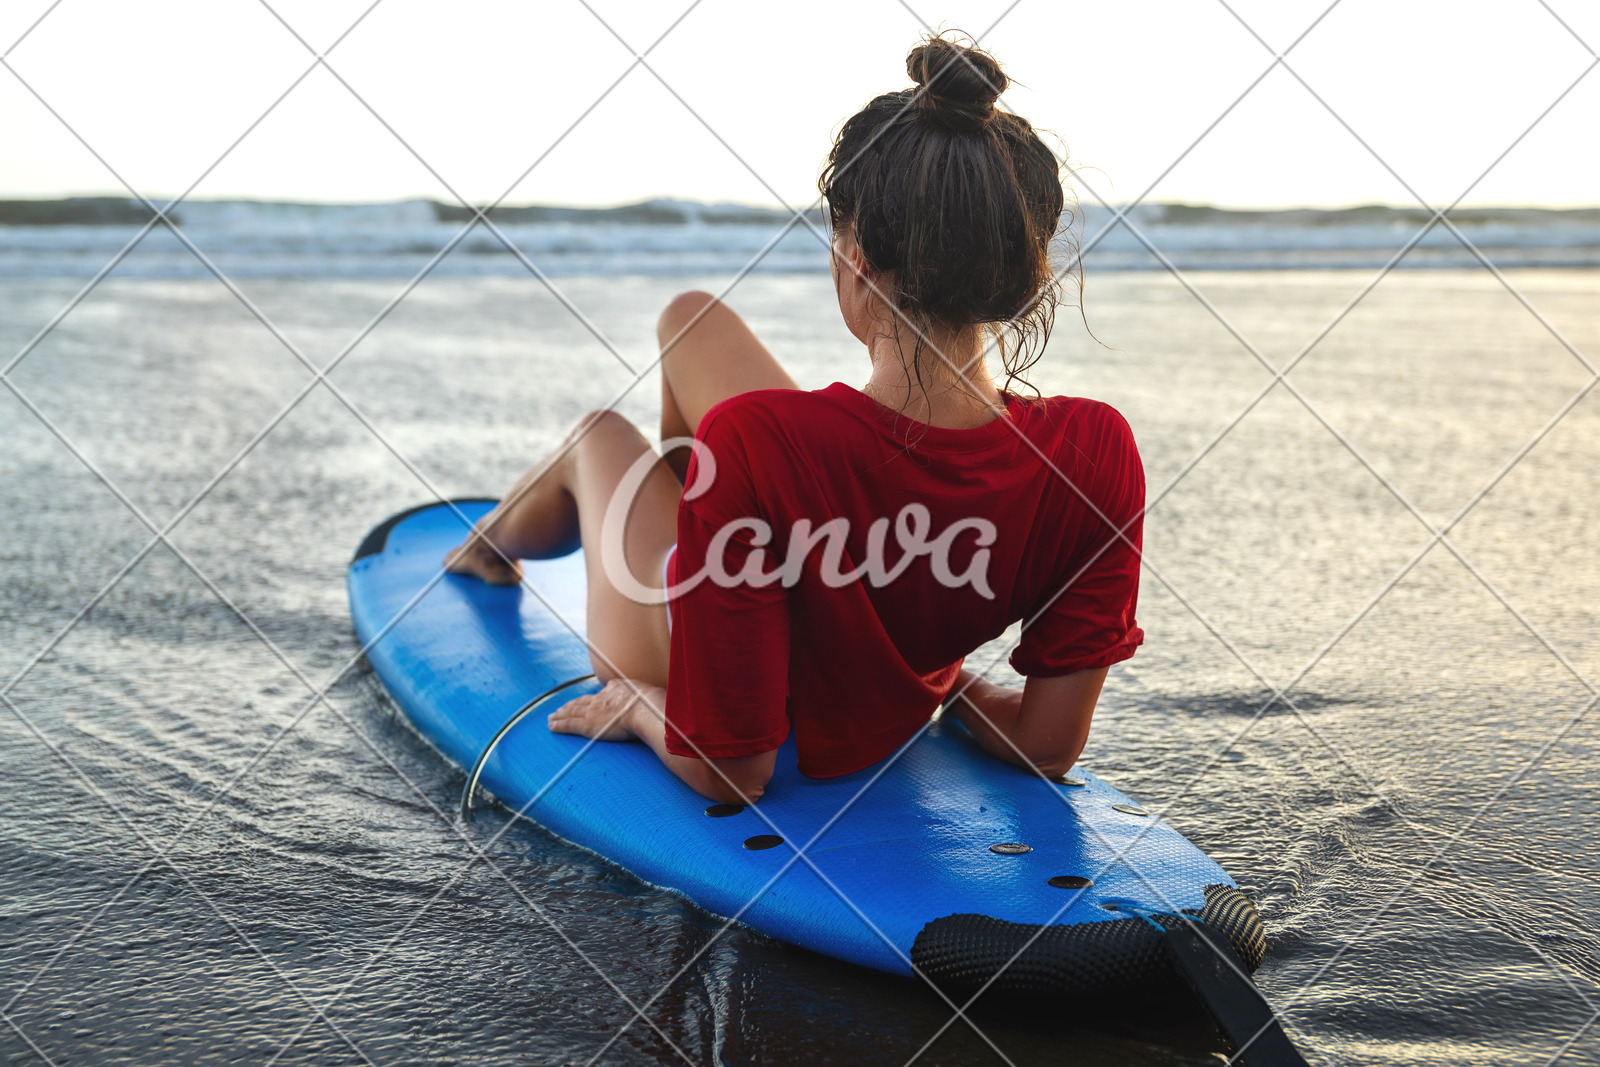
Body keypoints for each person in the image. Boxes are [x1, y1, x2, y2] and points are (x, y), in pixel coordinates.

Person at [444, 35, 1145, 807]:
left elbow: (731, 771)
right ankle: (707, 543)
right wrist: (952, 690)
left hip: (700, 682)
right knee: (690, 319)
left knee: (599, 437)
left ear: (857, 262)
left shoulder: (758, 439)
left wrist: (639, 705)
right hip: (878, 669)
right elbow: (1047, 744)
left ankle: (485, 551)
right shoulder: (1096, 451)